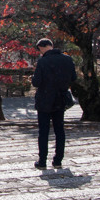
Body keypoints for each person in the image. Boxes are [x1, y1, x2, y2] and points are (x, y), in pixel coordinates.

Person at [31, 38, 76, 170]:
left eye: (40, 49)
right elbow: (73, 78)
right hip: (60, 98)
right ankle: (58, 160)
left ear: (43, 47)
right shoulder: (67, 59)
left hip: (45, 99)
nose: (40, 52)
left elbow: (36, 82)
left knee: (43, 131)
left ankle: (42, 161)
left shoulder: (43, 61)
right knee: (59, 130)